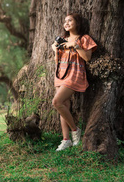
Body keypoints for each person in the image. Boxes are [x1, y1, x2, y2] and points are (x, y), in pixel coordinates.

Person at [51, 13, 97, 151]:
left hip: (75, 74)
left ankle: (75, 130)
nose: (67, 23)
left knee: (56, 102)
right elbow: (57, 61)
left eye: (70, 20)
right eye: (65, 21)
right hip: (61, 74)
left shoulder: (84, 38)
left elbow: (87, 58)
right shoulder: (63, 39)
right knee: (63, 105)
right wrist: (55, 50)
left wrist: (75, 46)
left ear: (78, 22)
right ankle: (66, 140)